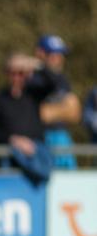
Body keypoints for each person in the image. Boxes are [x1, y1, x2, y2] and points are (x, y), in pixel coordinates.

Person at [0, 53, 61, 184]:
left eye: (21, 73)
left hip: (35, 153)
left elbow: (56, 83)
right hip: (9, 156)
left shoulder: (34, 94)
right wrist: (13, 140)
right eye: (13, 73)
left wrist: (37, 64)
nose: (17, 77)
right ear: (7, 74)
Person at [34, 35, 80, 169]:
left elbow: (75, 113)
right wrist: (64, 110)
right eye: (54, 55)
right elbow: (38, 114)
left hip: (62, 137)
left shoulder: (62, 80)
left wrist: (52, 111)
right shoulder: (34, 79)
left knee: (69, 183)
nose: (59, 59)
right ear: (41, 54)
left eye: (61, 55)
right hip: (41, 139)